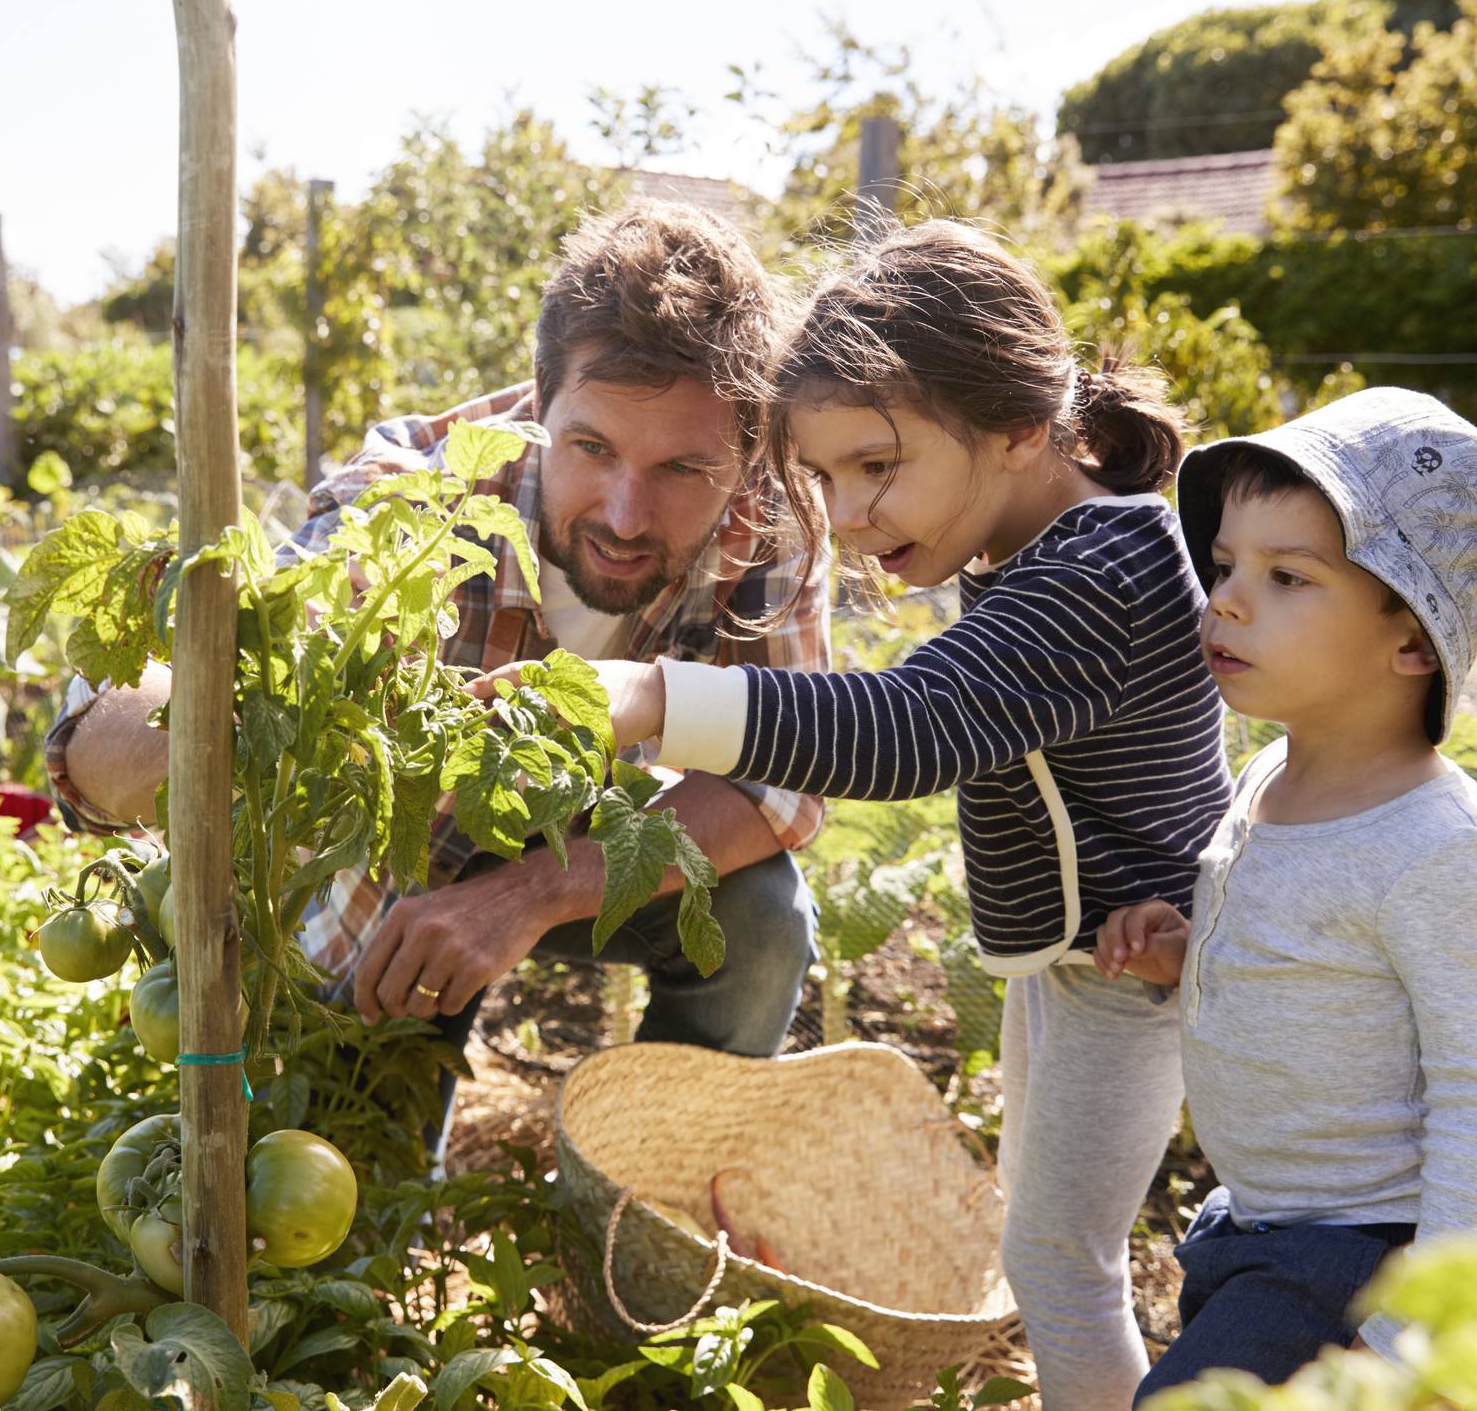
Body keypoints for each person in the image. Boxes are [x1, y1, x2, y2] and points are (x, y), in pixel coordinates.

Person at [490, 220, 1235, 1410]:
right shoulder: (1045, 552)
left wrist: (647, 698)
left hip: (1133, 977)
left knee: (1066, 1260)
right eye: (823, 476)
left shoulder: (1102, 568)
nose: (846, 512)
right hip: (1090, 960)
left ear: (1020, 426)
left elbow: (904, 727)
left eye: (876, 466)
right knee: (1070, 1249)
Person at [47, 201, 831, 1136]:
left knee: (761, 920)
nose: (626, 513)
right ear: (540, 403)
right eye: (593, 448)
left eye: (682, 470)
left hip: (591, 842)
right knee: (357, 1169)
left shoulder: (770, 522)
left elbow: (779, 788)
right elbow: (129, 731)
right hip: (402, 877)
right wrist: (196, 715)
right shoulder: (418, 494)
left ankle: (659, 1187)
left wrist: (532, 892)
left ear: (744, 452)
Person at [1087, 387, 1477, 1403]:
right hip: (1254, 1222)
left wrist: (1410, 1339)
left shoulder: (1435, 847)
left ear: (1410, 641)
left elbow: (1472, 1099)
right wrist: (1190, 949)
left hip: (1360, 1256)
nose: (1227, 599)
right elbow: (1303, 957)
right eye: (1224, 565)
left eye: (1286, 575)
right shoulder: (1270, 777)